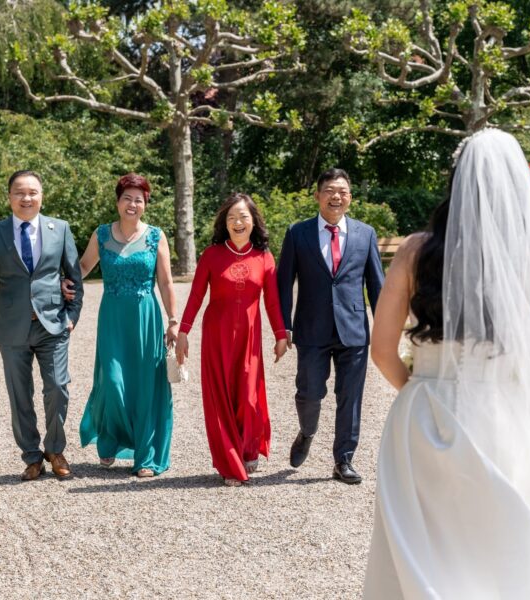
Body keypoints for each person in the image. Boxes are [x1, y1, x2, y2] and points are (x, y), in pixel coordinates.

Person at [363, 128, 530, 598]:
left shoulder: (416, 252)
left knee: (418, 546)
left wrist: (422, 390)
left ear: (455, 183)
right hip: (500, 418)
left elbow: (380, 350)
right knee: (498, 545)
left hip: (422, 417)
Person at [0, 170, 84, 481]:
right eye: (19, 193)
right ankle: (31, 456)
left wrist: (71, 316)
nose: (26, 198)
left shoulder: (60, 229)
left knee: (58, 388)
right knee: (19, 395)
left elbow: (74, 278)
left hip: (53, 325)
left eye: (32, 192)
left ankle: (54, 448)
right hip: (12, 328)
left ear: (42, 196)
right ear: (9, 197)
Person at [62, 173, 177, 477]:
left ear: (145, 205)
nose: (132, 203)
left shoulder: (156, 236)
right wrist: (64, 283)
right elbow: (84, 267)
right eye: (127, 197)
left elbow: (165, 283)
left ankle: (147, 455)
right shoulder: (101, 234)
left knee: (145, 387)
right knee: (112, 382)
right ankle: (110, 438)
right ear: (117, 201)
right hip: (112, 317)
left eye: (138, 199)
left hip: (146, 318)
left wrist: (173, 321)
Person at [276, 168, 385, 484]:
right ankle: (307, 431)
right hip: (311, 328)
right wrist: (284, 326)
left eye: (343, 191)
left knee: (350, 396)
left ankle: (344, 460)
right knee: (309, 392)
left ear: (350, 197)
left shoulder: (365, 234)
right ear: (318, 195)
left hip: (354, 330)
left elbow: (377, 284)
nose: (336, 196)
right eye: (330, 190)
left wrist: (385, 327)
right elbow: (284, 283)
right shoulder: (299, 233)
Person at [175, 193, 289, 487]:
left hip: (250, 338)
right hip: (218, 336)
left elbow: (273, 302)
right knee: (221, 398)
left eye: (244, 217)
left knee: (248, 398)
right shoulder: (212, 255)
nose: (238, 222)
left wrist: (280, 335)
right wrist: (184, 331)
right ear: (224, 223)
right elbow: (197, 295)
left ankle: (248, 447)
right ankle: (229, 463)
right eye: (232, 217)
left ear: (254, 221)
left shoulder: (264, 257)